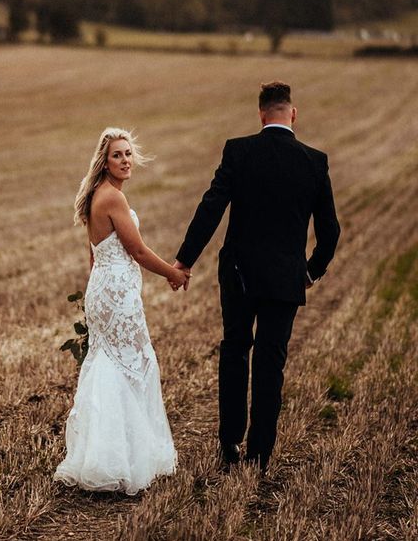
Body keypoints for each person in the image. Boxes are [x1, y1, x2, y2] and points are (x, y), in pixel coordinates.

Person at [173, 82, 340, 474]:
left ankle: (230, 443)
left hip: (238, 274)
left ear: (261, 114)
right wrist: (311, 271)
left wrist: (184, 260)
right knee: (271, 361)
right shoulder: (315, 161)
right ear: (292, 114)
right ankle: (260, 453)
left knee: (234, 350)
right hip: (286, 278)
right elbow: (330, 231)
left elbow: (211, 207)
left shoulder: (239, 150)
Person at [54, 127, 187, 495]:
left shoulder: (99, 194)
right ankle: (119, 459)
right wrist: (174, 274)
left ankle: (108, 455)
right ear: (105, 160)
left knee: (111, 362)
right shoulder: (111, 198)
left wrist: (95, 291)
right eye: (118, 155)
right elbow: (139, 251)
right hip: (116, 294)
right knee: (132, 363)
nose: (125, 160)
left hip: (106, 289)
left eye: (128, 154)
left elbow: (93, 254)